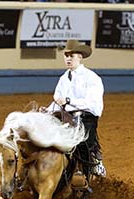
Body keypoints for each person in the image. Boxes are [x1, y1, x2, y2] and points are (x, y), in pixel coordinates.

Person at [44, 39, 107, 185]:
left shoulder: (92, 78)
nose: (68, 59)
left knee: (82, 143)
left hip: (86, 118)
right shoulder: (63, 79)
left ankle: (86, 173)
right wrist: (47, 111)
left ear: (80, 57)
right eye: (66, 55)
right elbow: (57, 101)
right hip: (67, 117)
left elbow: (93, 104)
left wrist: (69, 101)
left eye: (71, 56)